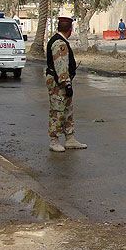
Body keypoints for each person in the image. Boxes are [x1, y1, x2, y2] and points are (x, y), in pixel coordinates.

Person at [46, 17, 87, 152]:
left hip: (61, 81)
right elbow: (61, 66)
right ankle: (54, 140)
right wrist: (67, 84)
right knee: (58, 110)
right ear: (70, 30)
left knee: (67, 110)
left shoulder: (59, 40)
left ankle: (70, 138)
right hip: (59, 83)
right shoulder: (60, 44)